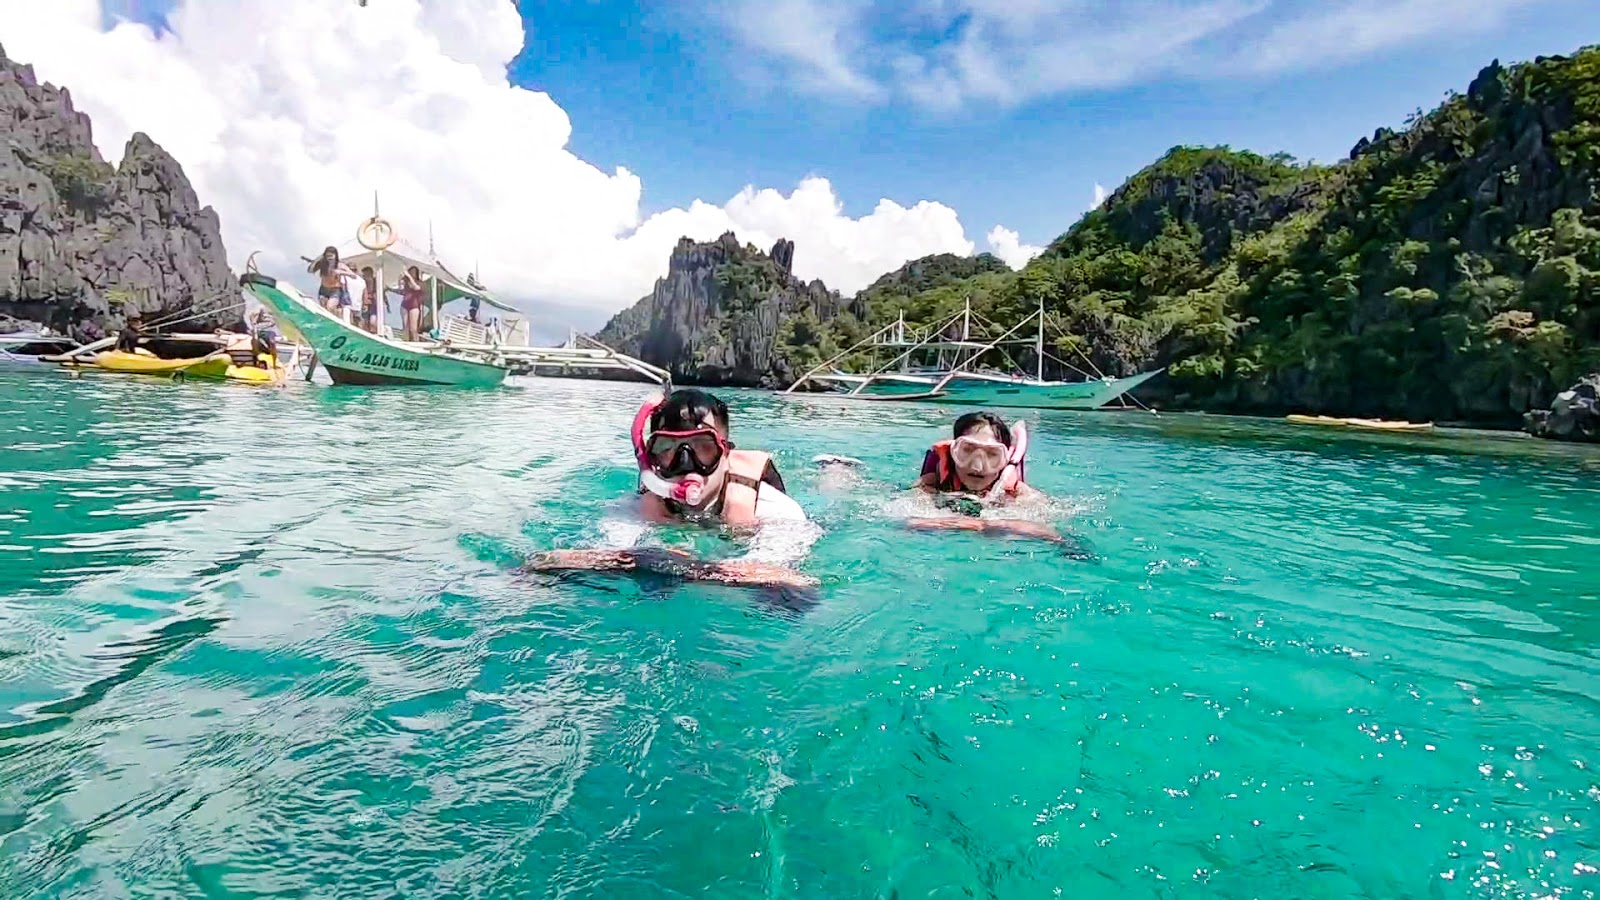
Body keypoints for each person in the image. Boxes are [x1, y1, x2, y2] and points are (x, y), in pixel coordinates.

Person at [524, 388, 819, 593]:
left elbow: (784, 578)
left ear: (725, 453)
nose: (686, 464)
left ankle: (836, 471)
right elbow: (607, 553)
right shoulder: (631, 510)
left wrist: (675, 566)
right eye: (668, 450)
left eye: (702, 449)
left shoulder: (776, 510)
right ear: (652, 459)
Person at [909, 411, 1060, 540]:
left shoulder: (1017, 492)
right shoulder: (930, 484)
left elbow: (1051, 532)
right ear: (953, 452)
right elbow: (908, 522)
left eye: (992, 454)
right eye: (967, 450)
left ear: (1005, 460)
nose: (977, 466)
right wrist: (981, 525)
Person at [306, 246, 354, 314]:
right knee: (324, 310)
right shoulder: (322, 265)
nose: (329, 258)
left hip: (335, 291)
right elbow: (310, 271)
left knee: (330, 307)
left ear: (335, 256)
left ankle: (337, 314)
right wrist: (317, 260)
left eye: (331, 256)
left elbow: (354, 276)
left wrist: (342, 272)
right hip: (323, 290)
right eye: (327, 256)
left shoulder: (340, 265)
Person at [395, 265, 425, 341]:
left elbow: (416, 287)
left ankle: (416, 342)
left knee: (413, 328)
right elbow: (400, 289)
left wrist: (409, 276)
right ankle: (406, 341)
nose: (412, 273)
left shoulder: (420, 283)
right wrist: (400, 279)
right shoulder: (406, 282)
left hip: (414, 305)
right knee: (405, 327)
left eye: (413, 272)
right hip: (405, 304)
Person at [359, 266, 383, 334]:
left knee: (373, 321)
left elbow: (380, 293)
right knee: (365, 321)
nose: (365, 276)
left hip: (374, 304)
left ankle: (375, 333)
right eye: (364, 275)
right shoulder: (362, 282)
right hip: (365, 303)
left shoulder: (377, 281)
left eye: (367, 274)